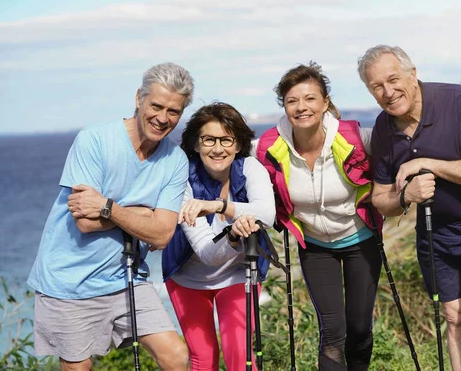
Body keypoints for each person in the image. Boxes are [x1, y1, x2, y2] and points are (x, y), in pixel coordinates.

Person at [358, 45, 461, 371]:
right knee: (456, 318)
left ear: (413, 74)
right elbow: (380, 199)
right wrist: (406, 197)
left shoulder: (457, 101)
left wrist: (426, 163)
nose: (388, 92)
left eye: (393, 79)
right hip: (438, 235)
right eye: (377, 86)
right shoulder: (384, 129)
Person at [27, 62, 194, 371]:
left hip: (128, 277)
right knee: (80, 367)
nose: (163, 118)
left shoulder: (175, 159)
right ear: (138, 98)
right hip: (70, 282)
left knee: (176, 356)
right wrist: (143, 214)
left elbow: (161, 234)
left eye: (174, 111)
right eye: (156, 105)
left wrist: (109, 206)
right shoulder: (94, 140)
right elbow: (84, 221)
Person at [254, 62, 383, 371]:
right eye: (292, 101)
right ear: (284, 106)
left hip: (361, 240)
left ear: (325, 102)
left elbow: (393, 155)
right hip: (315, 247)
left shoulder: (355, 137)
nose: (302, 107)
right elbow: (231, 165)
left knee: (360, 328)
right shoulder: (268, 147)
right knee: (333, 332)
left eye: (310, 98)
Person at [162, 102, 275, 371]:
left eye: (226, 139)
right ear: (196, 144)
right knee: (203, 358)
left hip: (239, 274)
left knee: (240, 358)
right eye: (209, 139)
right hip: (186, 277)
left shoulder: (249, 168)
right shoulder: (182, 180)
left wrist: (219, 206)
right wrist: (234, 236)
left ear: (238, 144)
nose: (217, 148)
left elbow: (267, 216)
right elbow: (207, 253)